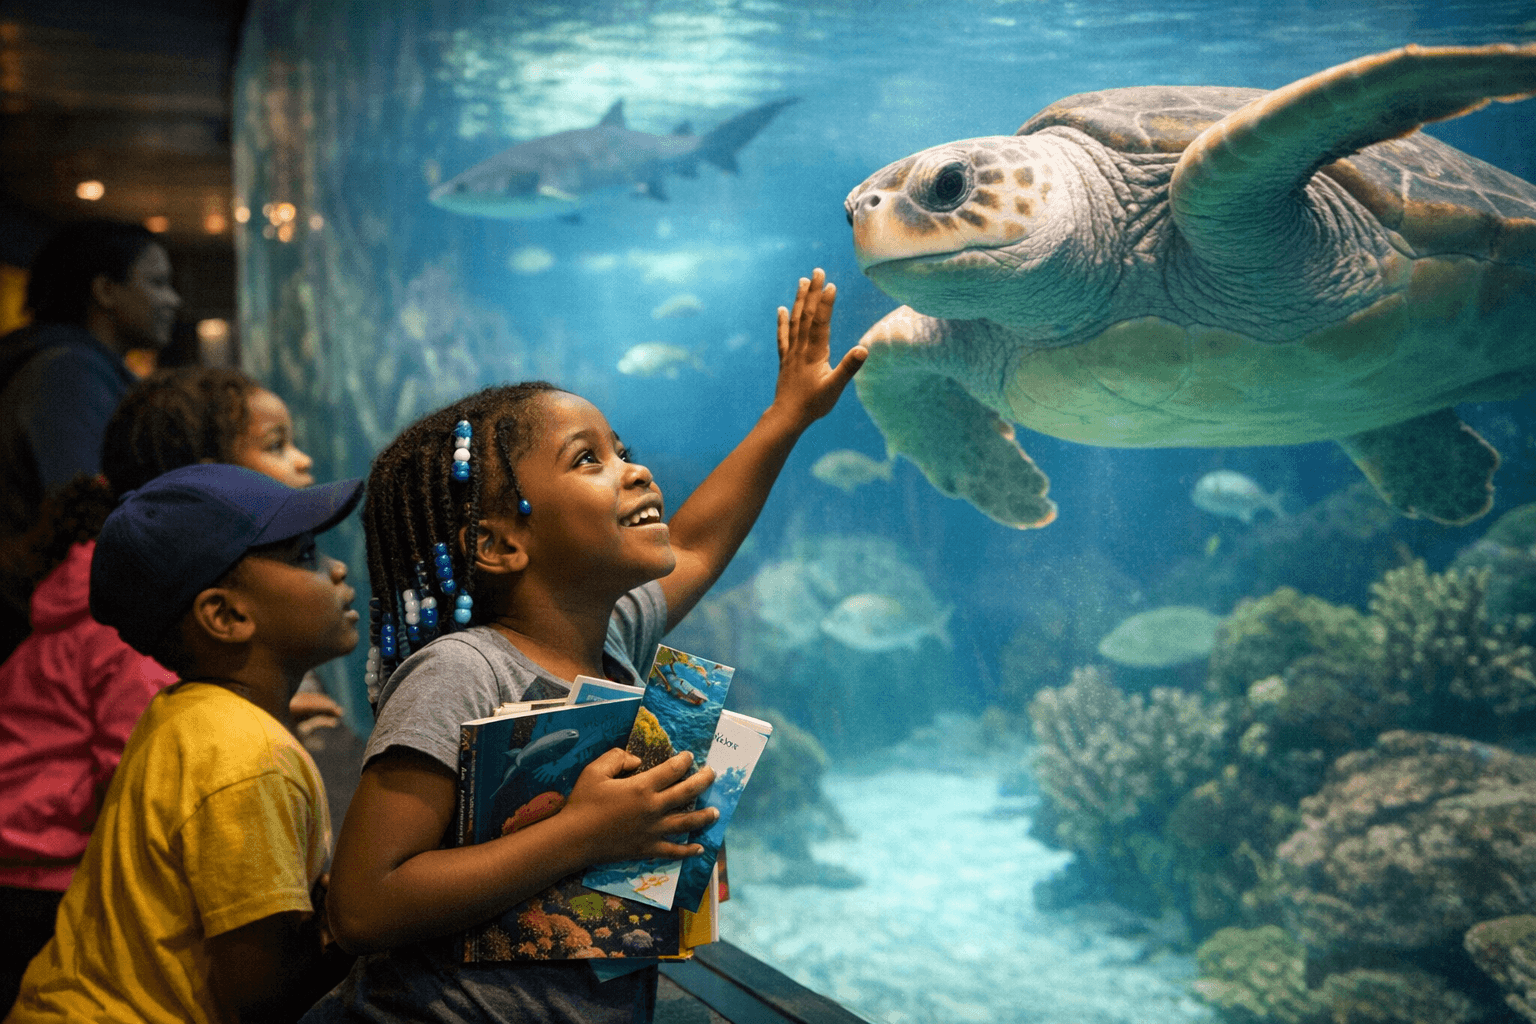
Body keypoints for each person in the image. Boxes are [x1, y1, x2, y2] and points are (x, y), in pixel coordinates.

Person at [304, 269, 863, 1024]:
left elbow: (697, 544)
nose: (635, 469)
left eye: (622, 449)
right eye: (587, 459)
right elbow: (363, 907)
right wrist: (583, 833)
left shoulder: (613, 640)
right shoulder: (462, 672)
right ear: (500, 543)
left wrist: (787, 417)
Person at [0, 367, 333, 1017]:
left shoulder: (167, 657)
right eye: (274, 445)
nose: (302, 460)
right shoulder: (162, 679)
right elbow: (179, 798)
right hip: (33, 876)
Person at [0, 219, 182, 661]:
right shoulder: (67, 377)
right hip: (57, 641)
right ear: (105, 292)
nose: (173, 300)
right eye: (157, 283)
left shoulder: (81, 370)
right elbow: (88, 519)